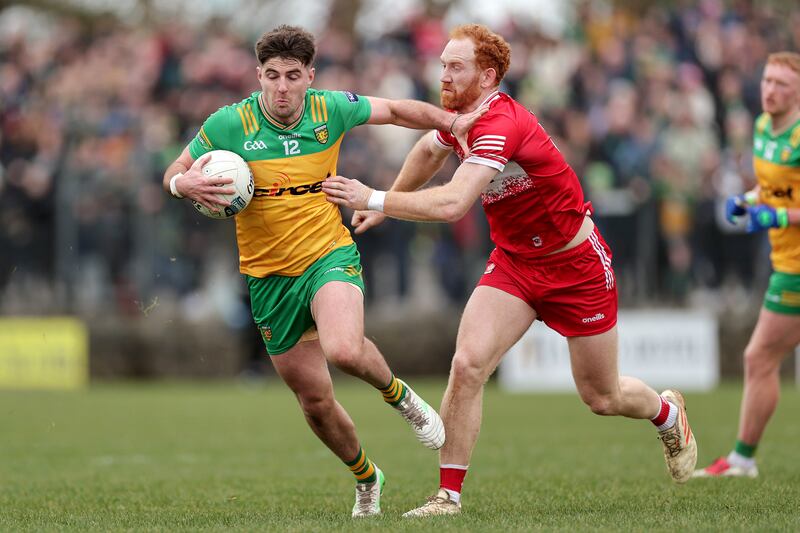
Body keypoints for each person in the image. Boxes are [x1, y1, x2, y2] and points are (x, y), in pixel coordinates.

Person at [322, 23, 698, 517]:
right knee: (467, 364)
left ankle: (667, 414)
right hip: (515, 265)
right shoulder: (459, 118)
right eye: (442, 65)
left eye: (456, 67)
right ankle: (448, 497)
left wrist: (374, 198)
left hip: (576, 267)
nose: (444, 75)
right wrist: (390, 201)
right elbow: (429, 151)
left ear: (488, 76)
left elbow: (454, 203)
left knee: (602, 396)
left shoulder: (501, 122)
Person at [162, 25, 485, 517]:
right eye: (273, 75)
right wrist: (181, 185)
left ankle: (400, 397)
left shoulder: (329, 109)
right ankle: (367, 477)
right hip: (267, 278)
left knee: (344, 349)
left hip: (327, 254)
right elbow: (174, 171)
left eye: (293, 76)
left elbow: (395, 110)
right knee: (314, 402)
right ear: (259, 76)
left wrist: (451, 121)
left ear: (310, 76)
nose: (282, 87)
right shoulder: (228, 124)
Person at [694, 52, 800, 479]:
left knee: (759, 356)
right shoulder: (760, 127)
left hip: (796, 267)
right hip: (786, 260)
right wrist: (748, 199)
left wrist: (778, 217)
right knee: (761, 357)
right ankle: (742, 459)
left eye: (782, 84)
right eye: (767, 80)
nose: (770, 90)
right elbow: (775, 187)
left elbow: (784, 205)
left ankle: (742, 459)